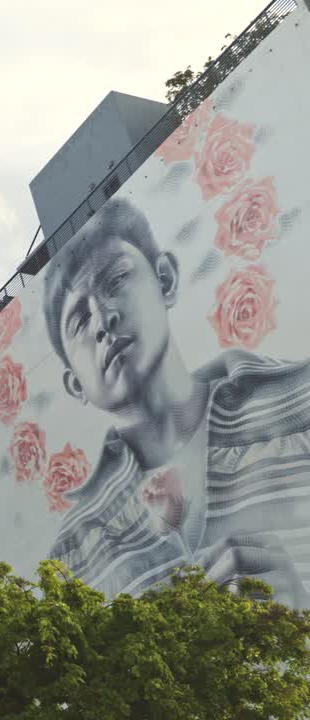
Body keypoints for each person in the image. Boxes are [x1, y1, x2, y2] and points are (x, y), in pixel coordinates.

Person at [43, 198, 310, 607]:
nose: (103, 319)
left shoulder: (300, 401)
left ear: (165, 279)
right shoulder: (75, 552)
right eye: (78, 320)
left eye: (115, 282)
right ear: (74, 384)